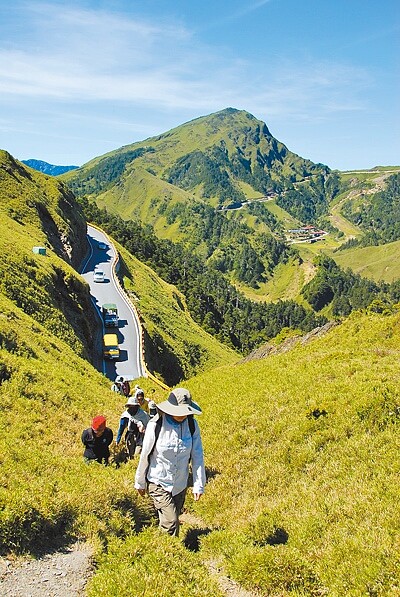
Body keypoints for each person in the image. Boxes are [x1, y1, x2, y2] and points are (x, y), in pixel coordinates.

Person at [134, 388, 205, 537]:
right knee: (171, 522)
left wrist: (199, 485)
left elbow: (197, 456)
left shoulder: (192, 426)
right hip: (158, 482)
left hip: (180, 484)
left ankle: (165, 553)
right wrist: (140, 482)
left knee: (171, 521)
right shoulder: (156, 425)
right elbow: (145, 454)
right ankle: (165, 555)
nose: (183, 415)